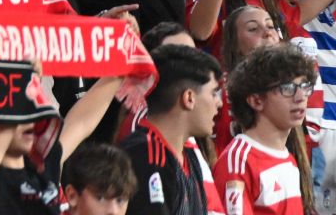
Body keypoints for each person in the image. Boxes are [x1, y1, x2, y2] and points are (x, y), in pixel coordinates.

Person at [121, 44, 223, 215]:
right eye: (213, 93)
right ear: (189, 98)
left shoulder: (189, 156)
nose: (219, 103)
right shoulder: (144, 156)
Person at [220, 42, 316, 215]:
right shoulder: (238, 161)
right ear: (256, 100)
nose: (301, 97)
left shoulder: (289, 160)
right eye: (287, 88)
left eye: (304, 86)